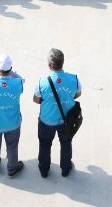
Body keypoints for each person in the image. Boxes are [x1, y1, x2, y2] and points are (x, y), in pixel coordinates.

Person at [33, 48, 81, 178]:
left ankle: (44, 170)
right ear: (63, 62)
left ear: (49, 65)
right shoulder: (74, 79)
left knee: (45, 144)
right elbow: (78, 94)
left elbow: (36, 100)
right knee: (66, 143)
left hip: (46, 121)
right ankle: (65, 169)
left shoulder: (42, 81)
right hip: (67, 121)